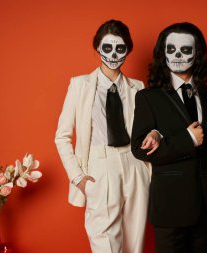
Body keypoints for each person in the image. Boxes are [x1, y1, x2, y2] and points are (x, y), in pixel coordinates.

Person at [131, 22, 207, 253]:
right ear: (162, 54)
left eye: (186, 50)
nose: (178, 56)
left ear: (197, 54)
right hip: (170, 206)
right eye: (171, 49)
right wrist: (188, 139)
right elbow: (140, 149)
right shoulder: (148, 97)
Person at [55, 19, 152, 253]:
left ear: (128, 50)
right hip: (100, 166)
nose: (113, 54)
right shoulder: (79, 86)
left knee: (135, 241)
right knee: (104, 242)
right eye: (107, 47)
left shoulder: (138, 87)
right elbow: (62, 136)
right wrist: (77, 176)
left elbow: (148, 127)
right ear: (97, 47)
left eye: (120, 48)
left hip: (135, 165)